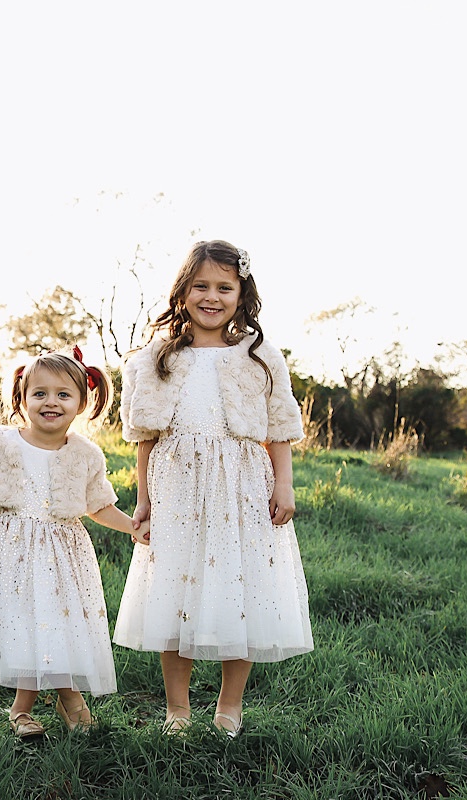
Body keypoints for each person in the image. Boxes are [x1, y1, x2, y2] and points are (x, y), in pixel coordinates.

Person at [112, 239, 313, 738]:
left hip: (243, 484)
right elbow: (145, 439)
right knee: (176, 589)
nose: (212, 296)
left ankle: (229, 707)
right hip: (177, 485)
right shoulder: (156, 357)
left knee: (238, 589)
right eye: (201, 285)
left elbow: (280, 425)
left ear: (242, 293)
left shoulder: (259, 354)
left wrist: (283, 484)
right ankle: (177, 709)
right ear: (183, 292)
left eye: (225, 287)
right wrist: (144, 501)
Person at [0, 349, 148, 739]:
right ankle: (36, 707)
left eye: (63, 395)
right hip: (10, 553)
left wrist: (132, 528)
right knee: (24, 626)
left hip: (61, 557)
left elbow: (98, 506)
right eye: (39, 393)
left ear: (81, 403)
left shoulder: (85, 455)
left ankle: (58, 700)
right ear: (21, 397)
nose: (50, 402)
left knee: (56, 624)